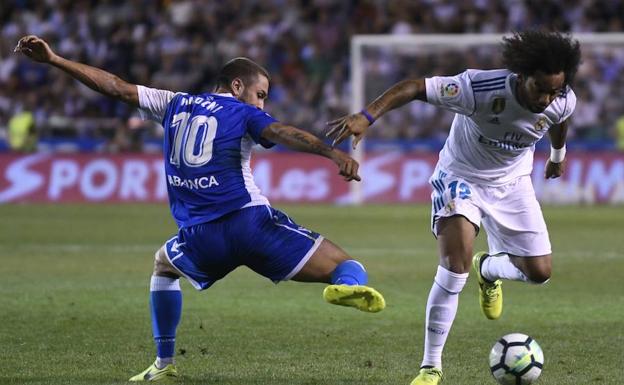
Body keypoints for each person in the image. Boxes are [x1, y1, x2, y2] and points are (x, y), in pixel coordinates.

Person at [15, 35, 386, 382]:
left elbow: (114, 86)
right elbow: (283, 132)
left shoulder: (173, 102)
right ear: (237, 86)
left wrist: (55, 59)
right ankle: (345, 287)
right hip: (251, 224)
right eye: (260, 94)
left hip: (201, 238)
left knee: (163, 266)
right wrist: (330, 152)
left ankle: (164, 364)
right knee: (344, 265)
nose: (262, 104)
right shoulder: (244, 115)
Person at [327, 30, 581, 385]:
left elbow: (559, 119)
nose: (547, 98)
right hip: (460, 177)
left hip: (513, 185)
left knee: (540, 272)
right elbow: (415, 86)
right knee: (454, 268)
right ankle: (431, 367)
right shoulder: (478, 89)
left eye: (554, 90)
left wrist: (557, 155)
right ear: (522, 76)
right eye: (541, 88)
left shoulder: (562, 99)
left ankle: (489, 269)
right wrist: (367, 116)